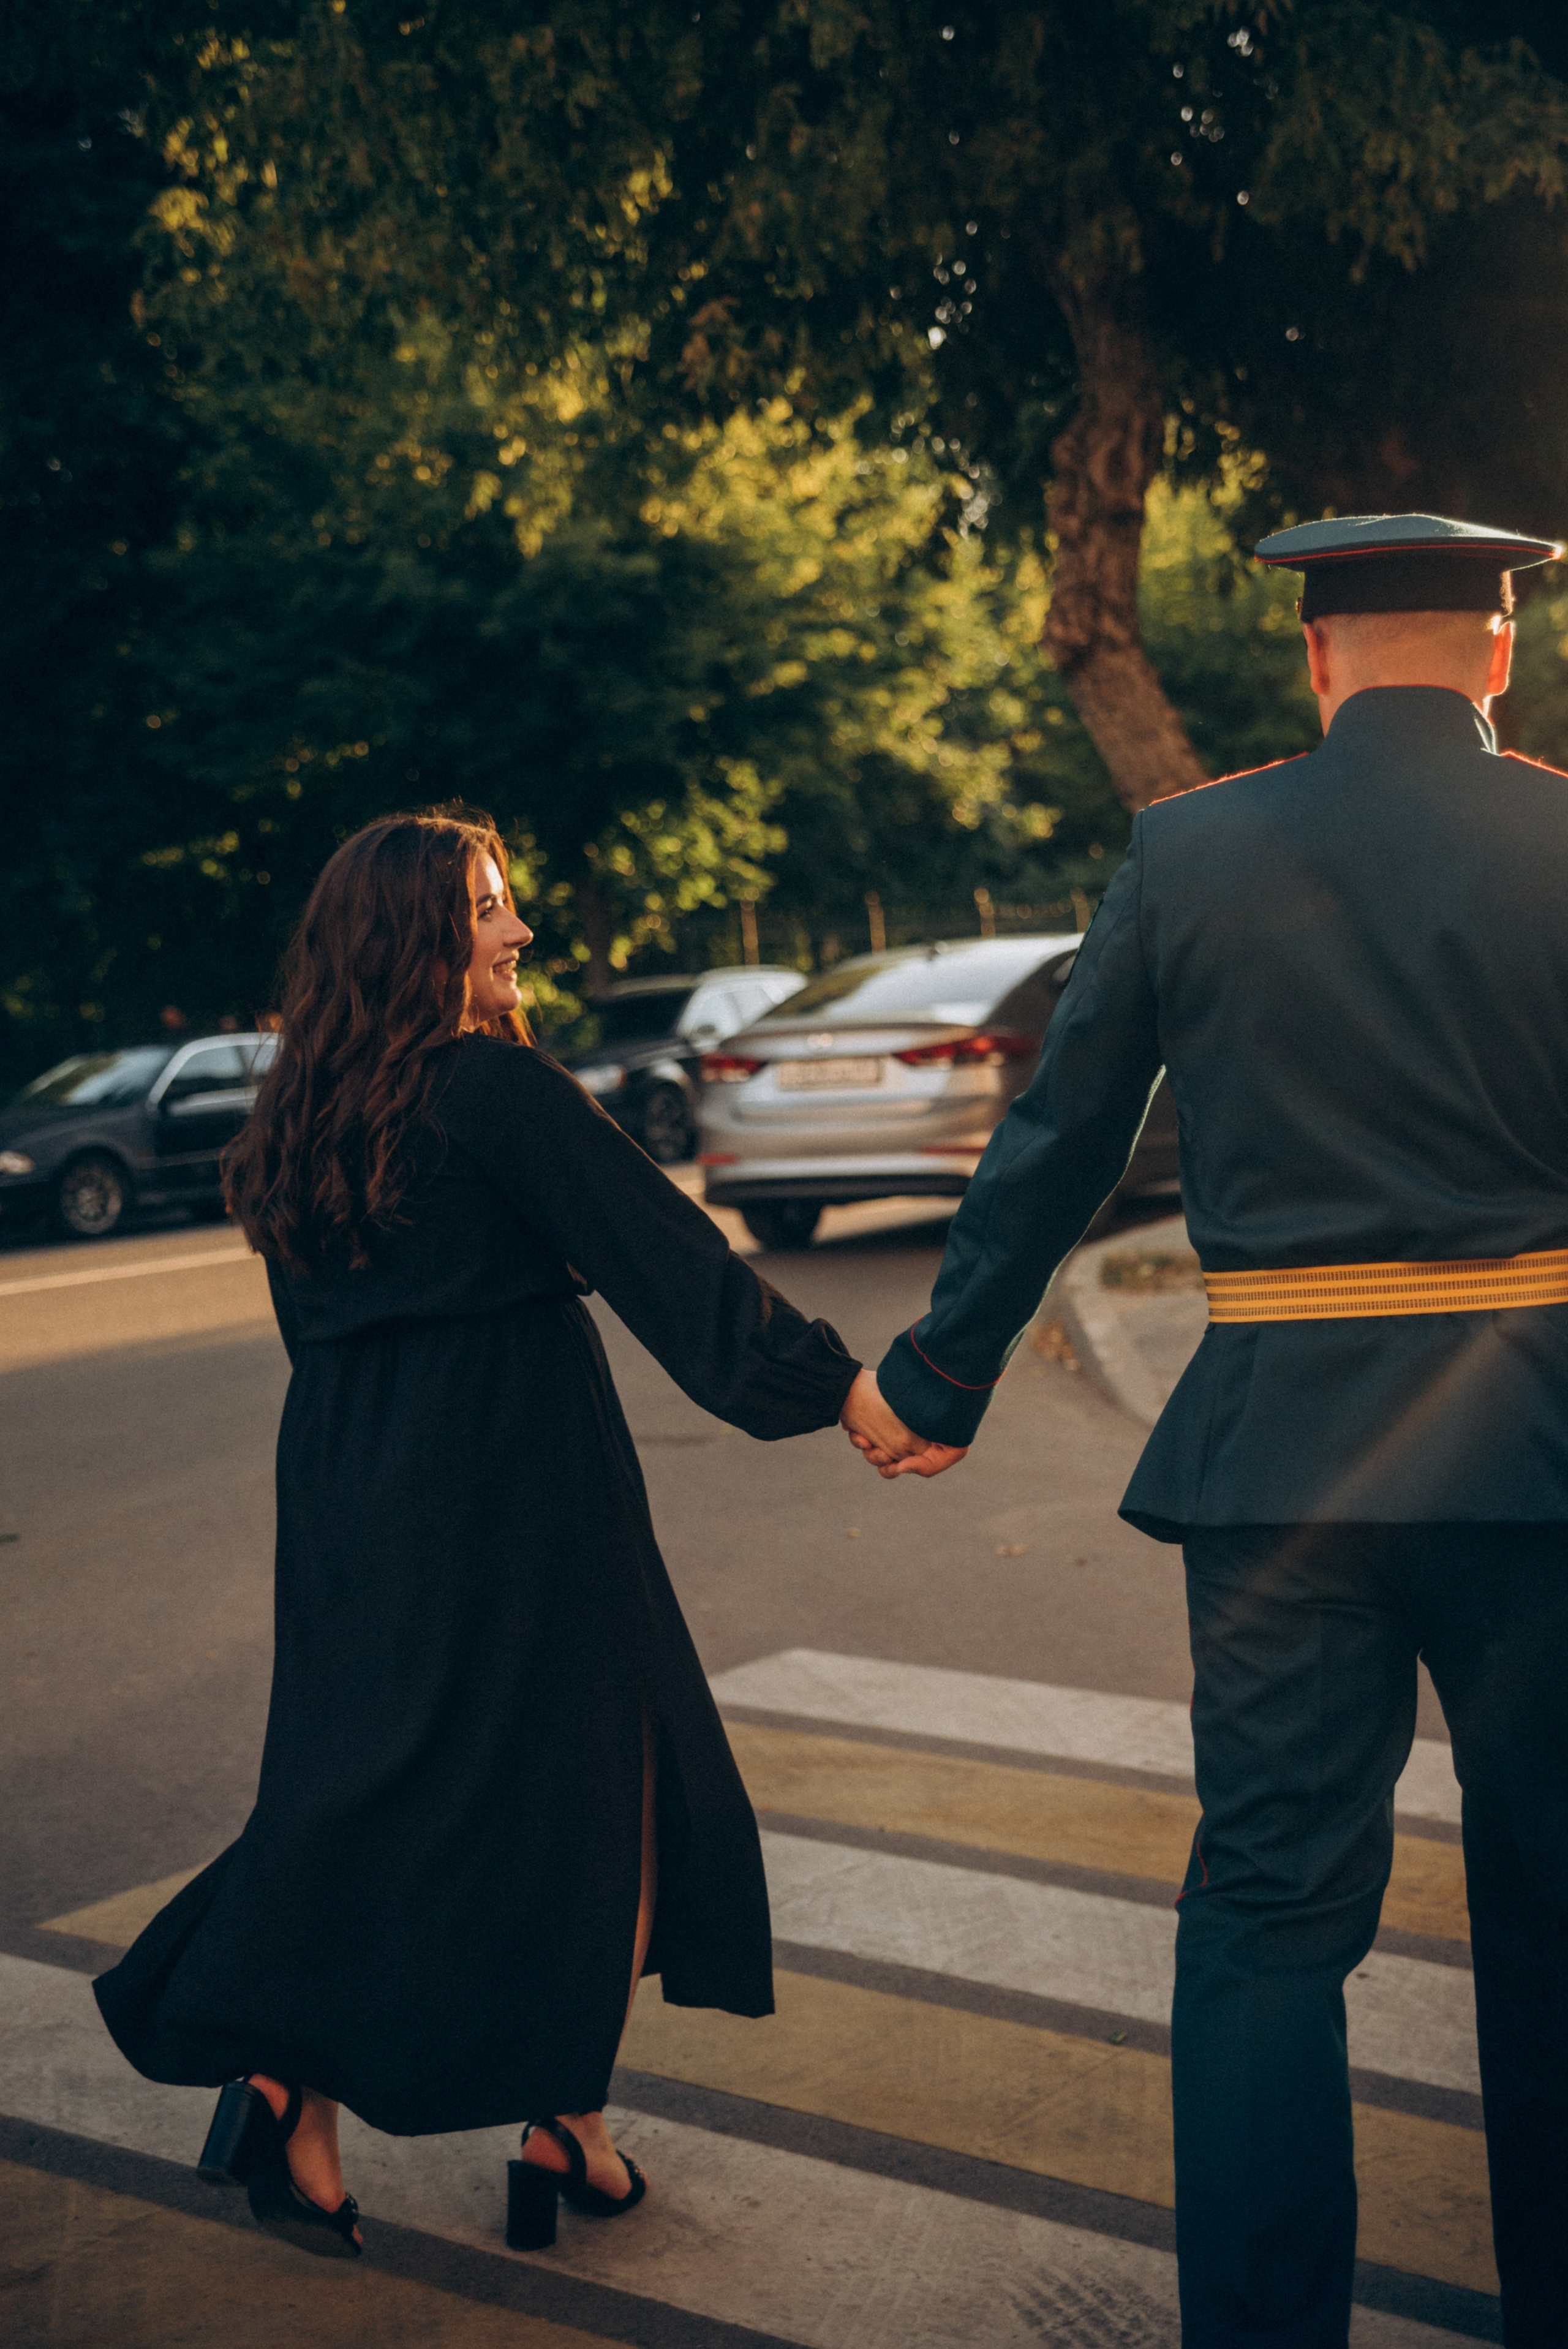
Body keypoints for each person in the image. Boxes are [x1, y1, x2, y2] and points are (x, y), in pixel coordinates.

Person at [848, 513, 1568, 2348]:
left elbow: (1064, 1133)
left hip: (1281, 1467)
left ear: (1316, 663)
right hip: (1544, 1456)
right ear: (1499, 656)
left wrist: (939, 1372)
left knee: (1265, 1918)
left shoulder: (1190, 848)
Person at [94, 810, 903, 2259]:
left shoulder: (297, 1111)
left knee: (377, 1788)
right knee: (609, 1786)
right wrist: (839, 1389)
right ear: (417, 936)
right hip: (516, 1483)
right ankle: (548, 2116)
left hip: (348, 1486)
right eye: (486, 909)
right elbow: (668, 1260)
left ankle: (325, 2098)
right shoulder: (494, 1090)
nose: (517, 932)